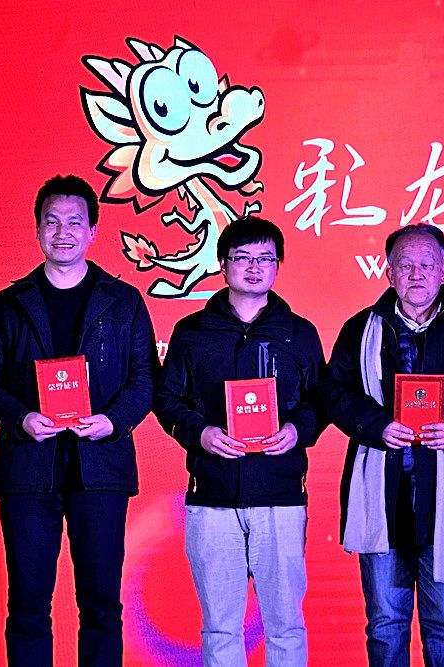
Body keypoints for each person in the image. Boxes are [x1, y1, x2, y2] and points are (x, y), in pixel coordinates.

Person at [0, 174, 157, 667]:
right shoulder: (9, 304)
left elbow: (145, 380)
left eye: (74, 222)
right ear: (37, 230)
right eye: (51, 222)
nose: (63, 232)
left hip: (101, 467)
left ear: (93, 230)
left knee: (101, 604)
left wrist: (112, 421)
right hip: (29, 469)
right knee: (28, 604)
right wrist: (21, 418)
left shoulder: (124, 301)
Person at [321, 223, 444, 666]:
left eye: (427, 265)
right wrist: (376, 426)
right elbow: (332, 392)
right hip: (382, 498)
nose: (416, 274)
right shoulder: (360, 329)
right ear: (388, 272)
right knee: (384, 624)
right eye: (405, 265)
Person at [153, 216, 324, 666]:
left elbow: (321, 401)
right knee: (220, 626)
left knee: (286, 624)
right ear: (222, 264)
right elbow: (166, 398)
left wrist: (297, 430)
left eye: (265, 258)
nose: (254, 267)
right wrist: (201, 433)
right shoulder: (192, 332)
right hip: (212, 495)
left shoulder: (299, 333)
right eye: (242, 257)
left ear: (278, 265)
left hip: (281, 495)